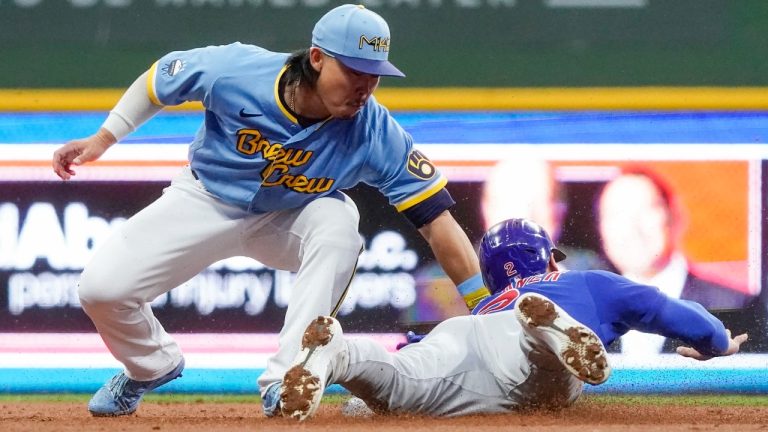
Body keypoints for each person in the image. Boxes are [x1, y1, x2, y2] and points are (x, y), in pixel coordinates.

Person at [50, 4, 489, 417]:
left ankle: (287, 378)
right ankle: (150, 364)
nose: (365, 87)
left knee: (339, 222)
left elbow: (437, 222)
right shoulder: (237, 70)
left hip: (291, 216)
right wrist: (102, 140)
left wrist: (482, 304)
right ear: (317, 58)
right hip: (205, 199)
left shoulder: (375, 131)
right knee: (100, 290)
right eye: (355, 70)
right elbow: (158, 81)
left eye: (375, 75)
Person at [277, 218, 747, 420]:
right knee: (546, 375)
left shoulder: (484, 305)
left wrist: (368, 402)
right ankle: (545, 332)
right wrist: (715, 341)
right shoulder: (588, 283)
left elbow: (404, 366)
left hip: (463, 335)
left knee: (394, 382)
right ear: (547, 260)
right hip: (531, 348)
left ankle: (337, 353)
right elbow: (677, 314)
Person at [597, 167, 758, 355]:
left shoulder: (735, 304)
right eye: (615, 215)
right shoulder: (589, 312)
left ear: (673, 216)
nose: (631, 228)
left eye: (645, 211)